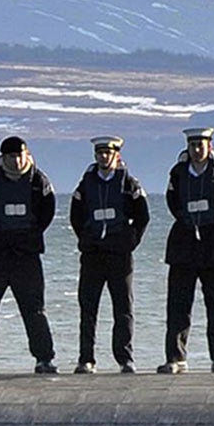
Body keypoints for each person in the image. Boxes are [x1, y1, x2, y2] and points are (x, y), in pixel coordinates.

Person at [0, 135, 59, 374]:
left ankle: (44, 358)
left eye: (21, 155)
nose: (17, 160)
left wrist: (30, 234)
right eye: (12, 156)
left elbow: (47, 211)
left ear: (26, 155)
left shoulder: (38, 180)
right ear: (4, 157)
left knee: (34, 309)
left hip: (27, 255)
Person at [159, 126, 214, 374]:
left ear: (210, 146)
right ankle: (176, 357)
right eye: (192, 146)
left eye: (200, 146)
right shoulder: (178, 173)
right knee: (178, 306)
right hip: (183, 248)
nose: (196, 150)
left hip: (213, 249)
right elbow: (172, 201)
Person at [68, 136, 150, 373]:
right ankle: (86, 359)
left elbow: (142, 216)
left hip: (119, 256)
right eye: (100, 153)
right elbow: (76, 216)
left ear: (117, 155)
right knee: (88, 308)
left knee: (123, 308)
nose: (104, 157)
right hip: (93, 256)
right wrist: (85, 239)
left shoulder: (130, 184)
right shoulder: (85, 184)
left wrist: (130, 241)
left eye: (108, 153)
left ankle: (125, 359)